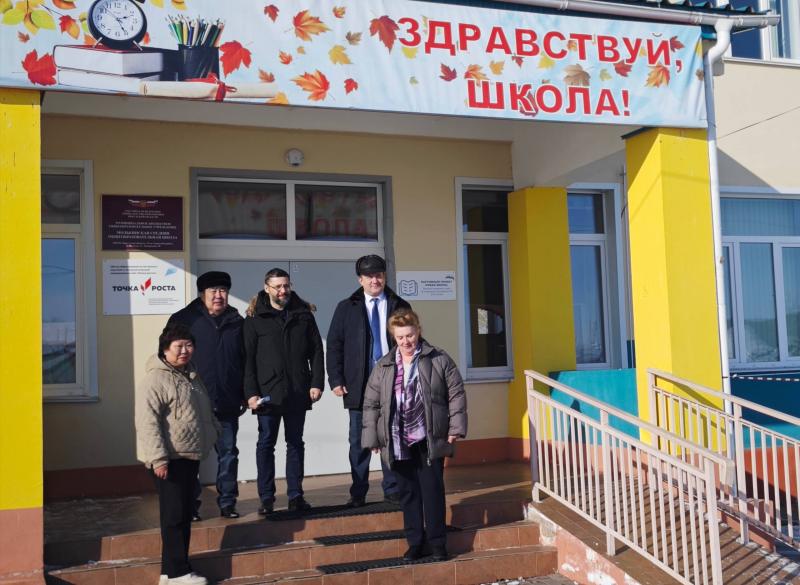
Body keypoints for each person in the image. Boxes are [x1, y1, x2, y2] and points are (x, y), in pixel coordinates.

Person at [361, 309, 467, 562]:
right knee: (408, 494)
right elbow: (371, 404)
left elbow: (456, 393)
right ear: (393, 337)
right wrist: (372, 438)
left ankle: (437, 544)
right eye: (400, 337)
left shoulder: (438, 358)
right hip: (397, 439)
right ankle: (415, 543)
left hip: (428, 438)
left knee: (432, 492)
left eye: (409, 335)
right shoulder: (384, 365)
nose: (406, 341)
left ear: (418, 331)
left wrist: (455, 428)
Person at [135, 323, 220, 585]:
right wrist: (158, 459)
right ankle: (178, 573)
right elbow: (147, 422)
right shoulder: (155, 380)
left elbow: (203, 411)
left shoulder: (190, 376)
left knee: (182, 513)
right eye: (178, 346)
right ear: (165, 349)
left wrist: (215, 431)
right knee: (174, 516)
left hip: (188, 455)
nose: (185, 351)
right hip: (169, 458)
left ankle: (169, 571)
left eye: (189, 345)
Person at [327, 254, 411, 507]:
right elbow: (335, 345)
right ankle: (358, 492)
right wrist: (336, 379)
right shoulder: (346, 307)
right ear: (360, 279)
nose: (375, 280)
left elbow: (412, 341)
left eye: (379, 275)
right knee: (359, 441)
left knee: (391, 437)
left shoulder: (399, 305)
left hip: (393, 381)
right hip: (359, 383)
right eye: (369, 276)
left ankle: (392, 488)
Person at [243, 268, 324, 514]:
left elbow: (316, 351)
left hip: (297, 391)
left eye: (286, 285)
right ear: (266, 288)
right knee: (266, 444)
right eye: (277, 286)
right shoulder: (254, 318)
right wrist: (251, 393)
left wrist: (316, 383)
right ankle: (266, 498)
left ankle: (296, 496)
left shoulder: (303, 315)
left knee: (295, 443)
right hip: (267, 394)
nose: (282, 291)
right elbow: (247, 359)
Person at [168, 271, 245, 519]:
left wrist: (245, 393)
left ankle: (228, 503)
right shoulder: (183, 320)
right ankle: (190, 507)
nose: (218, 295)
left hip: (227, 400)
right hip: (191, 402)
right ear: (202, 293)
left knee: (228, 454)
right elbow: (168, 360)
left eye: (223, 290)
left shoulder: (237, 321)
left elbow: (246, 360)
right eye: (213, 291)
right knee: (191, 457)